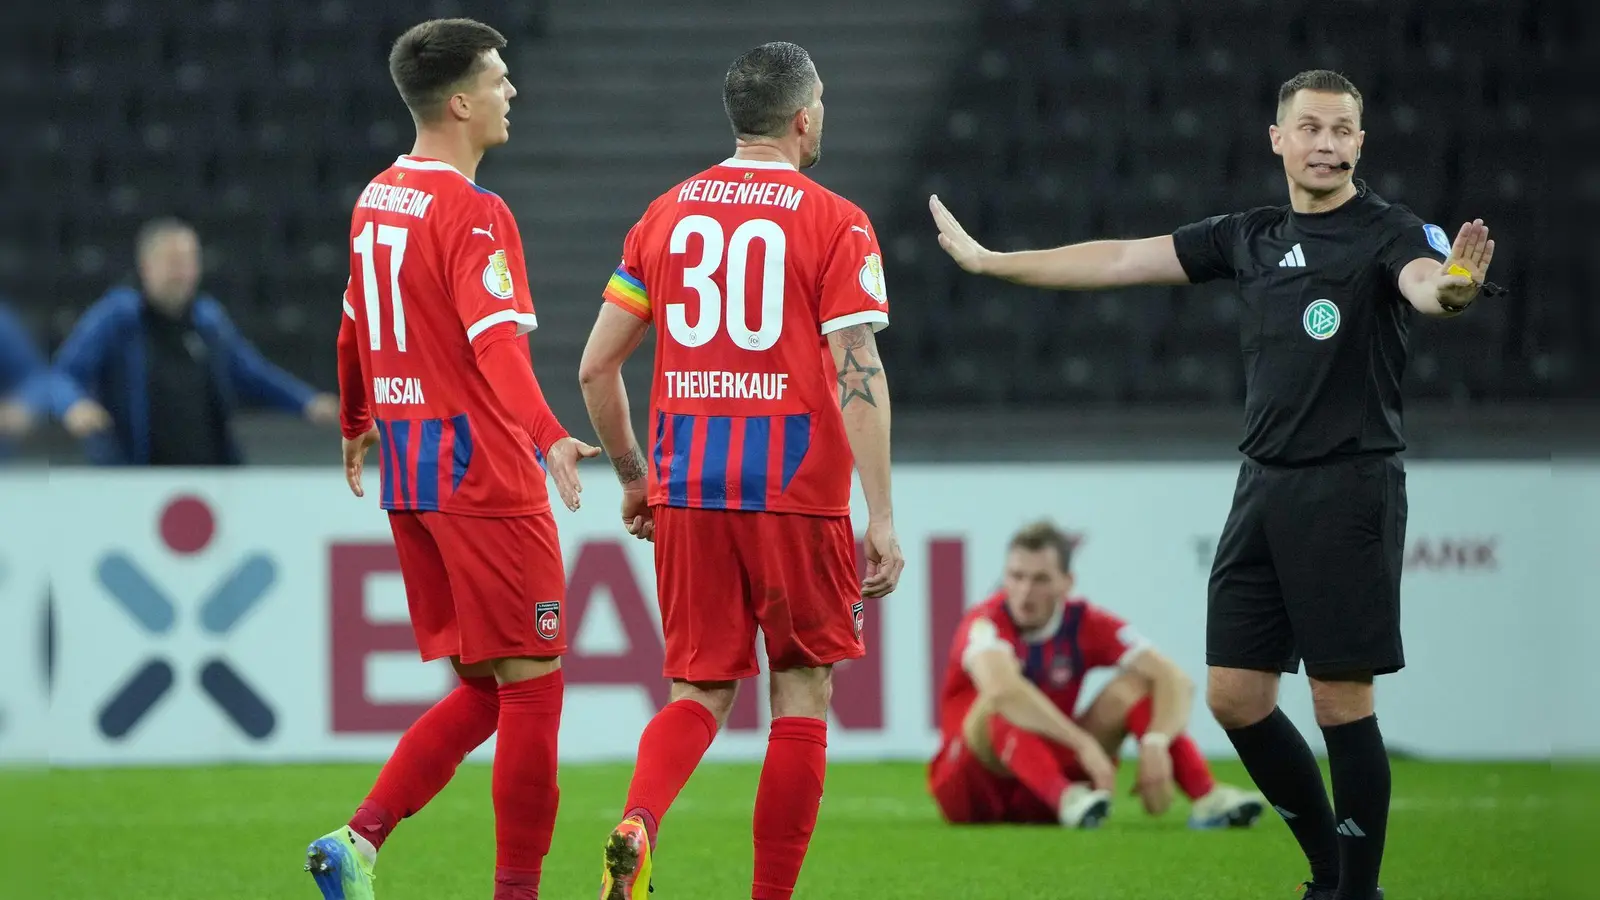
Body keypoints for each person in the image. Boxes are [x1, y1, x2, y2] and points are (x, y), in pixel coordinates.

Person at [931, 69, 1500, 900]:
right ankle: (1329, 876)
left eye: (1343, 130)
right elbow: (1124, 257)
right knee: (1235, 697)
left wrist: (1450, 290)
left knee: (1341, 701)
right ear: (1278, 139)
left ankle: (1356, 891)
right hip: (1261, 488)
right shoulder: (1250, 235)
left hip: (1349, 488)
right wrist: (994, 262)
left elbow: (1427, 282)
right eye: (1310, 128)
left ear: (1361, 143)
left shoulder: (1388, 231)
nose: (1327, 144)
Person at [578, 41, 905, 900]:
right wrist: (881, 513)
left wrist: (634, 477)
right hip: (794, 495)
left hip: (688, 491)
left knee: (698, 692)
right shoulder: (836, 220)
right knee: (800, 693)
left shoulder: (665, 215)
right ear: (804, 118)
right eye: (822, 103)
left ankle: (638, 822)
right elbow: (855, 369)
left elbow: (594, 369)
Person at [304, 19, 597, 900]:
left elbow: (354, 322)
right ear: (460, 101)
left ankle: (358, 842)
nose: (512, 92)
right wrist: (548, 435)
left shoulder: (377, 197)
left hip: (416, 476)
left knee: (484, 687)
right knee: (535, 691)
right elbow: (499, 348)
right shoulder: (474, 212)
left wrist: (357, 417)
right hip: (483, 475)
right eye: (499, 80)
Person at [931, 520, 1265, 831]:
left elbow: (1174, 679)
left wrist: (1155, 741)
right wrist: (1083, 744)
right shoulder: (984, 622)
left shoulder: (1087, 623)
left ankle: (1206, 797)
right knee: (997, 704)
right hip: (971, 791)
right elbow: (1004, 691)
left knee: (1134, 687)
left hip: (1048, 784)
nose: (1024, 590)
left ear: (1067, 582)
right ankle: (1068, 797)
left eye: (1040, 579)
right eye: (1016, 576)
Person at [49, 218, 336, 465]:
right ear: (146, 266)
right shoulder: (116, 318)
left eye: (189, 262)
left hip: (208, 474)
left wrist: (306, 402)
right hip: (134, 479)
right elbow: (63, 375)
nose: (183, 273)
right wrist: (73, 405)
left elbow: (252, 374)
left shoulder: (209, 322)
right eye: (173, 263)